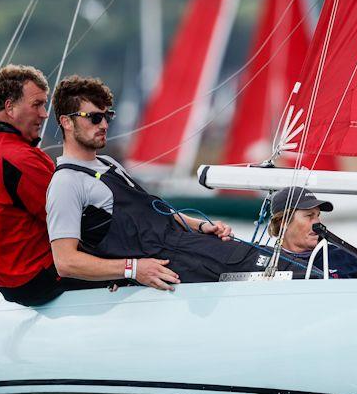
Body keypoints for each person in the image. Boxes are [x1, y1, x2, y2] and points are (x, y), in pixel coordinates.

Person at [46, 75, 267, 286]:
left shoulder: (108, 163)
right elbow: (65, 262)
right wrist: (133, 270)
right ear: (66, 122)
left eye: (107, 116)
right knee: (269, 268)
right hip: (169, 265)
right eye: (95, 118)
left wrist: (200, 225)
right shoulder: (65, 183)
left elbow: (152, 211)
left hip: (186, 246)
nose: (104, 125)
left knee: (273, 259)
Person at [0, 64, 109, 306]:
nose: (45, 114)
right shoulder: (20, 159)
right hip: (42, 280)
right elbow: (80, 219)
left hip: (7, 285)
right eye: (37, 105)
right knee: (156, 253)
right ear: (10, 107)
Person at [268, 187, 357, 279]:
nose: (317, 222)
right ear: (284, 222)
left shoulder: (346, 257)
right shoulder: (265, 263)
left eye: (318, 215)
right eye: (309, 215)